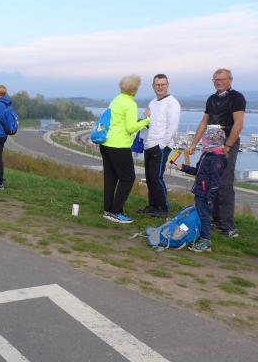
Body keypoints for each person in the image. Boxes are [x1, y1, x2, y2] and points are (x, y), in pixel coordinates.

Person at [187, 68, 246, 238]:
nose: (219, 82)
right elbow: (203, 123)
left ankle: (227, 225)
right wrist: (193, 144)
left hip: (227, 143)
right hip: (210, 143)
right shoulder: (211, 99)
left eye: (222, 79)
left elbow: (239, 124)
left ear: (230, 80)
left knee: (224, 183)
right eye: (216, 79)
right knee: (208, 180)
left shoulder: (237, 97)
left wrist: (227, 146)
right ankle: (213, 219)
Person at [100, 75, 151, 224]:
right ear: (135, 89)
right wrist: (146, 120)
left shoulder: (116, 100)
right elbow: (130, 128)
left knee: (110, 177)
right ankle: (116, 211)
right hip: (119, 145)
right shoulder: (130, 103)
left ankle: (108, 210)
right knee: (128, 178)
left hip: (106, 143)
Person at [172, 127, 228, 252]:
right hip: (200, 191)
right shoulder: (207, 155)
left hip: (206, 194)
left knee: (204, 217)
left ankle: (205, 240)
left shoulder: (216, 160)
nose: (204, 142)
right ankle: (198, 235)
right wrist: (184, 168)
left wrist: (209, 197)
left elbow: (216, 181)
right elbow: (198, 172)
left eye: (206, 140)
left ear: (212, 142)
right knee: (200, 215)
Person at [140, 74, 181, 217]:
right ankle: (153, 206)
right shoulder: (152, 102)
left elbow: (172, 126)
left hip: (161, 145)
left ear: (167, 85)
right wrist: (145, 118)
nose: (160, 87)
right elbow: (150, 124)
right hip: (149, 145)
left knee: (157, 177)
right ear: (153, 86)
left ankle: (163, 208)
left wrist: (162, 145)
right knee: (150, 177)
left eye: (163, 84)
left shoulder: (172, 103)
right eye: (157, 84)